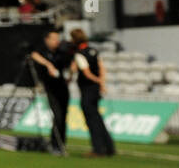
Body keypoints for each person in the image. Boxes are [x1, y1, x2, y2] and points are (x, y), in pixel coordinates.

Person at [70, 29, 115, 157]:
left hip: (87, 89)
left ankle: (98, 149)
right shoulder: (94, 51)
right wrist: (102, 83)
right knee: (98, 118)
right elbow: (101, 68)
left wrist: (98, 81)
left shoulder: (79, 54)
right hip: (96, 90)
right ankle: (109, 147)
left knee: (91, 120)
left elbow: (86, 73)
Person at [30, 27, 74, 155]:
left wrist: (70, 74)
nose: (56, 41)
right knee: (58, 116)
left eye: (57, 38)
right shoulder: (43, 51)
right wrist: (48, 65)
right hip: (51, 89)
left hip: (63, 88)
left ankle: (61, 144)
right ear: (47, 40)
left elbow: (70, 64)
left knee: (63, 117)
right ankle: (55, 144)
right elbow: (33, 55)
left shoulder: (62, 52)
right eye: (53, 38)